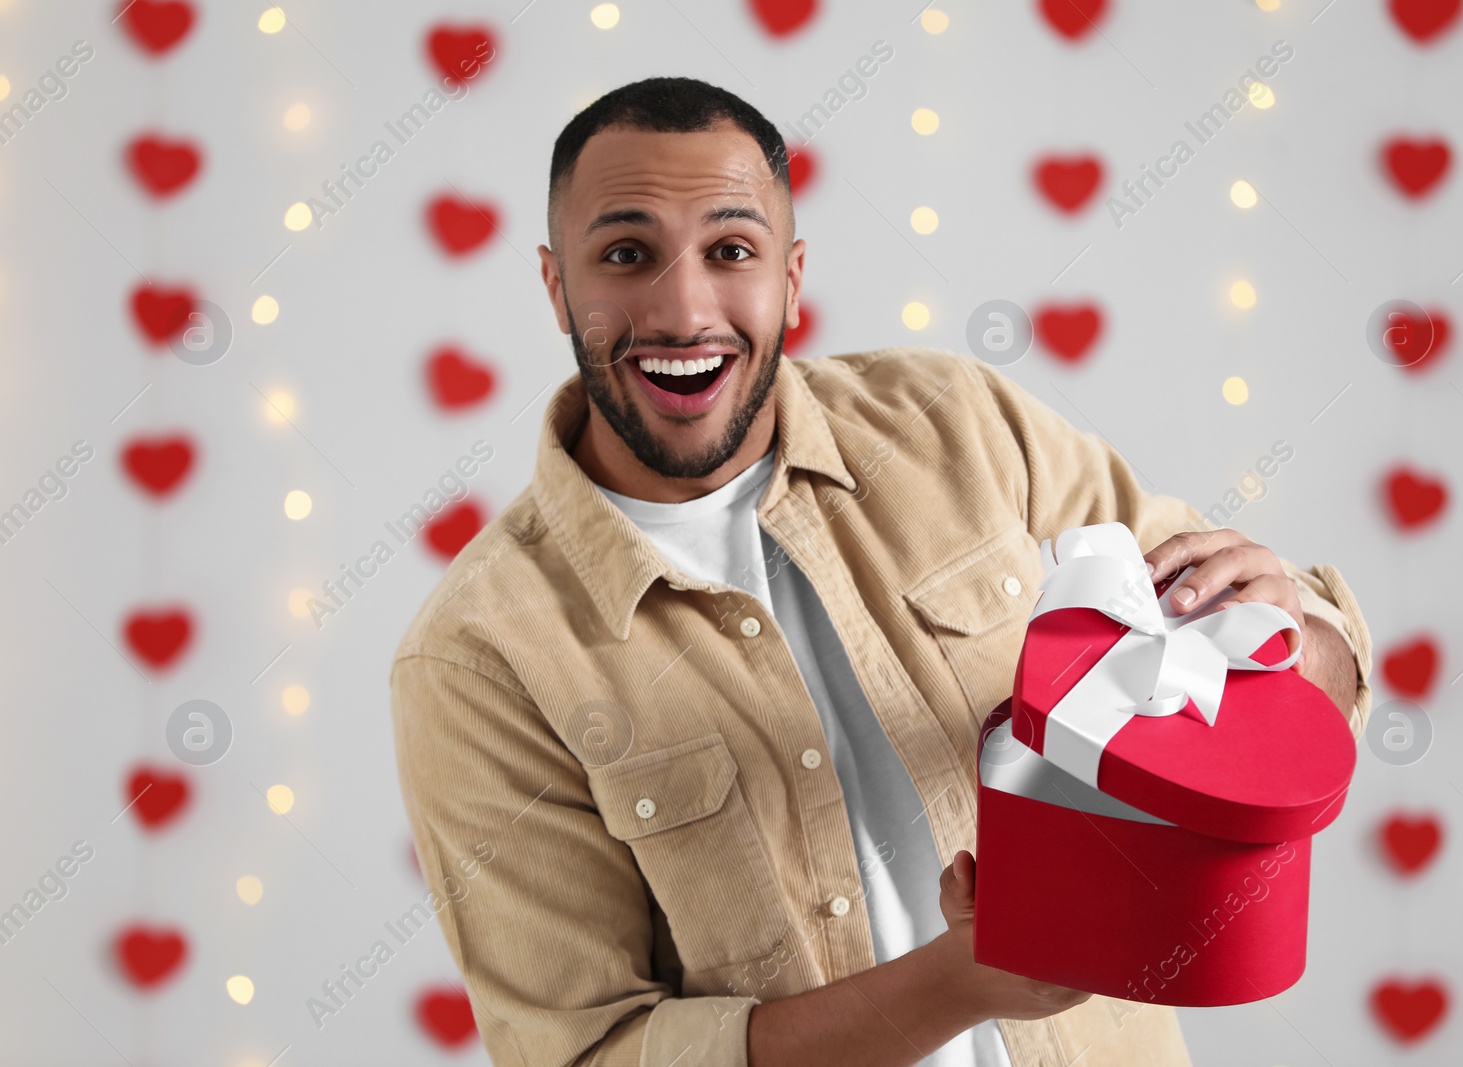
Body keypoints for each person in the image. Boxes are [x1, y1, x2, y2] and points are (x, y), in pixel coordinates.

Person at [389, 76, 1372, 1067]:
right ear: (558, 284)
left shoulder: (956, 420)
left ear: (792, 275)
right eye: (625, 255)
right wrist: (965, 978)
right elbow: (586, 1053)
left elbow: (1286, 669)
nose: (683, 309)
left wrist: (1288, 637)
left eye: (731, 251)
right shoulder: (477, 657)